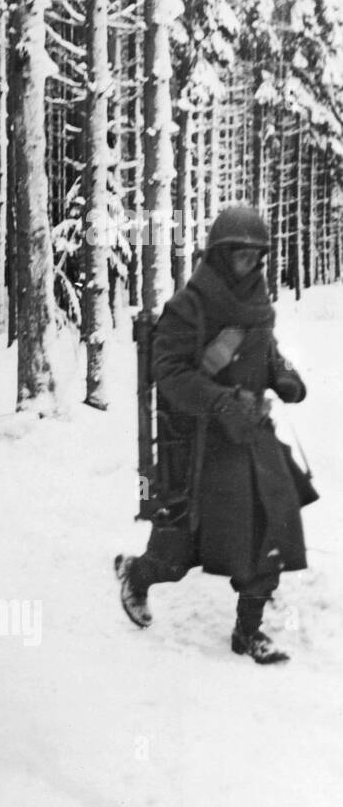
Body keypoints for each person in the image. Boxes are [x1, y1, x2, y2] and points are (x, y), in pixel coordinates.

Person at [115, 205, 316, 664]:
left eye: (255, 255)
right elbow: (169, 374)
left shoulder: (259, 305)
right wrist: (221, 401)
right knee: (180, 550)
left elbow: (267, 353)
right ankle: (136, 574)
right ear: (221, 255)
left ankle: (249, 632)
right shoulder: (190, 306)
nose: (249, 262)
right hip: (200, 445)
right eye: (240, 254)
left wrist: (284, 376)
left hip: (251, 438)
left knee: (273, 527)